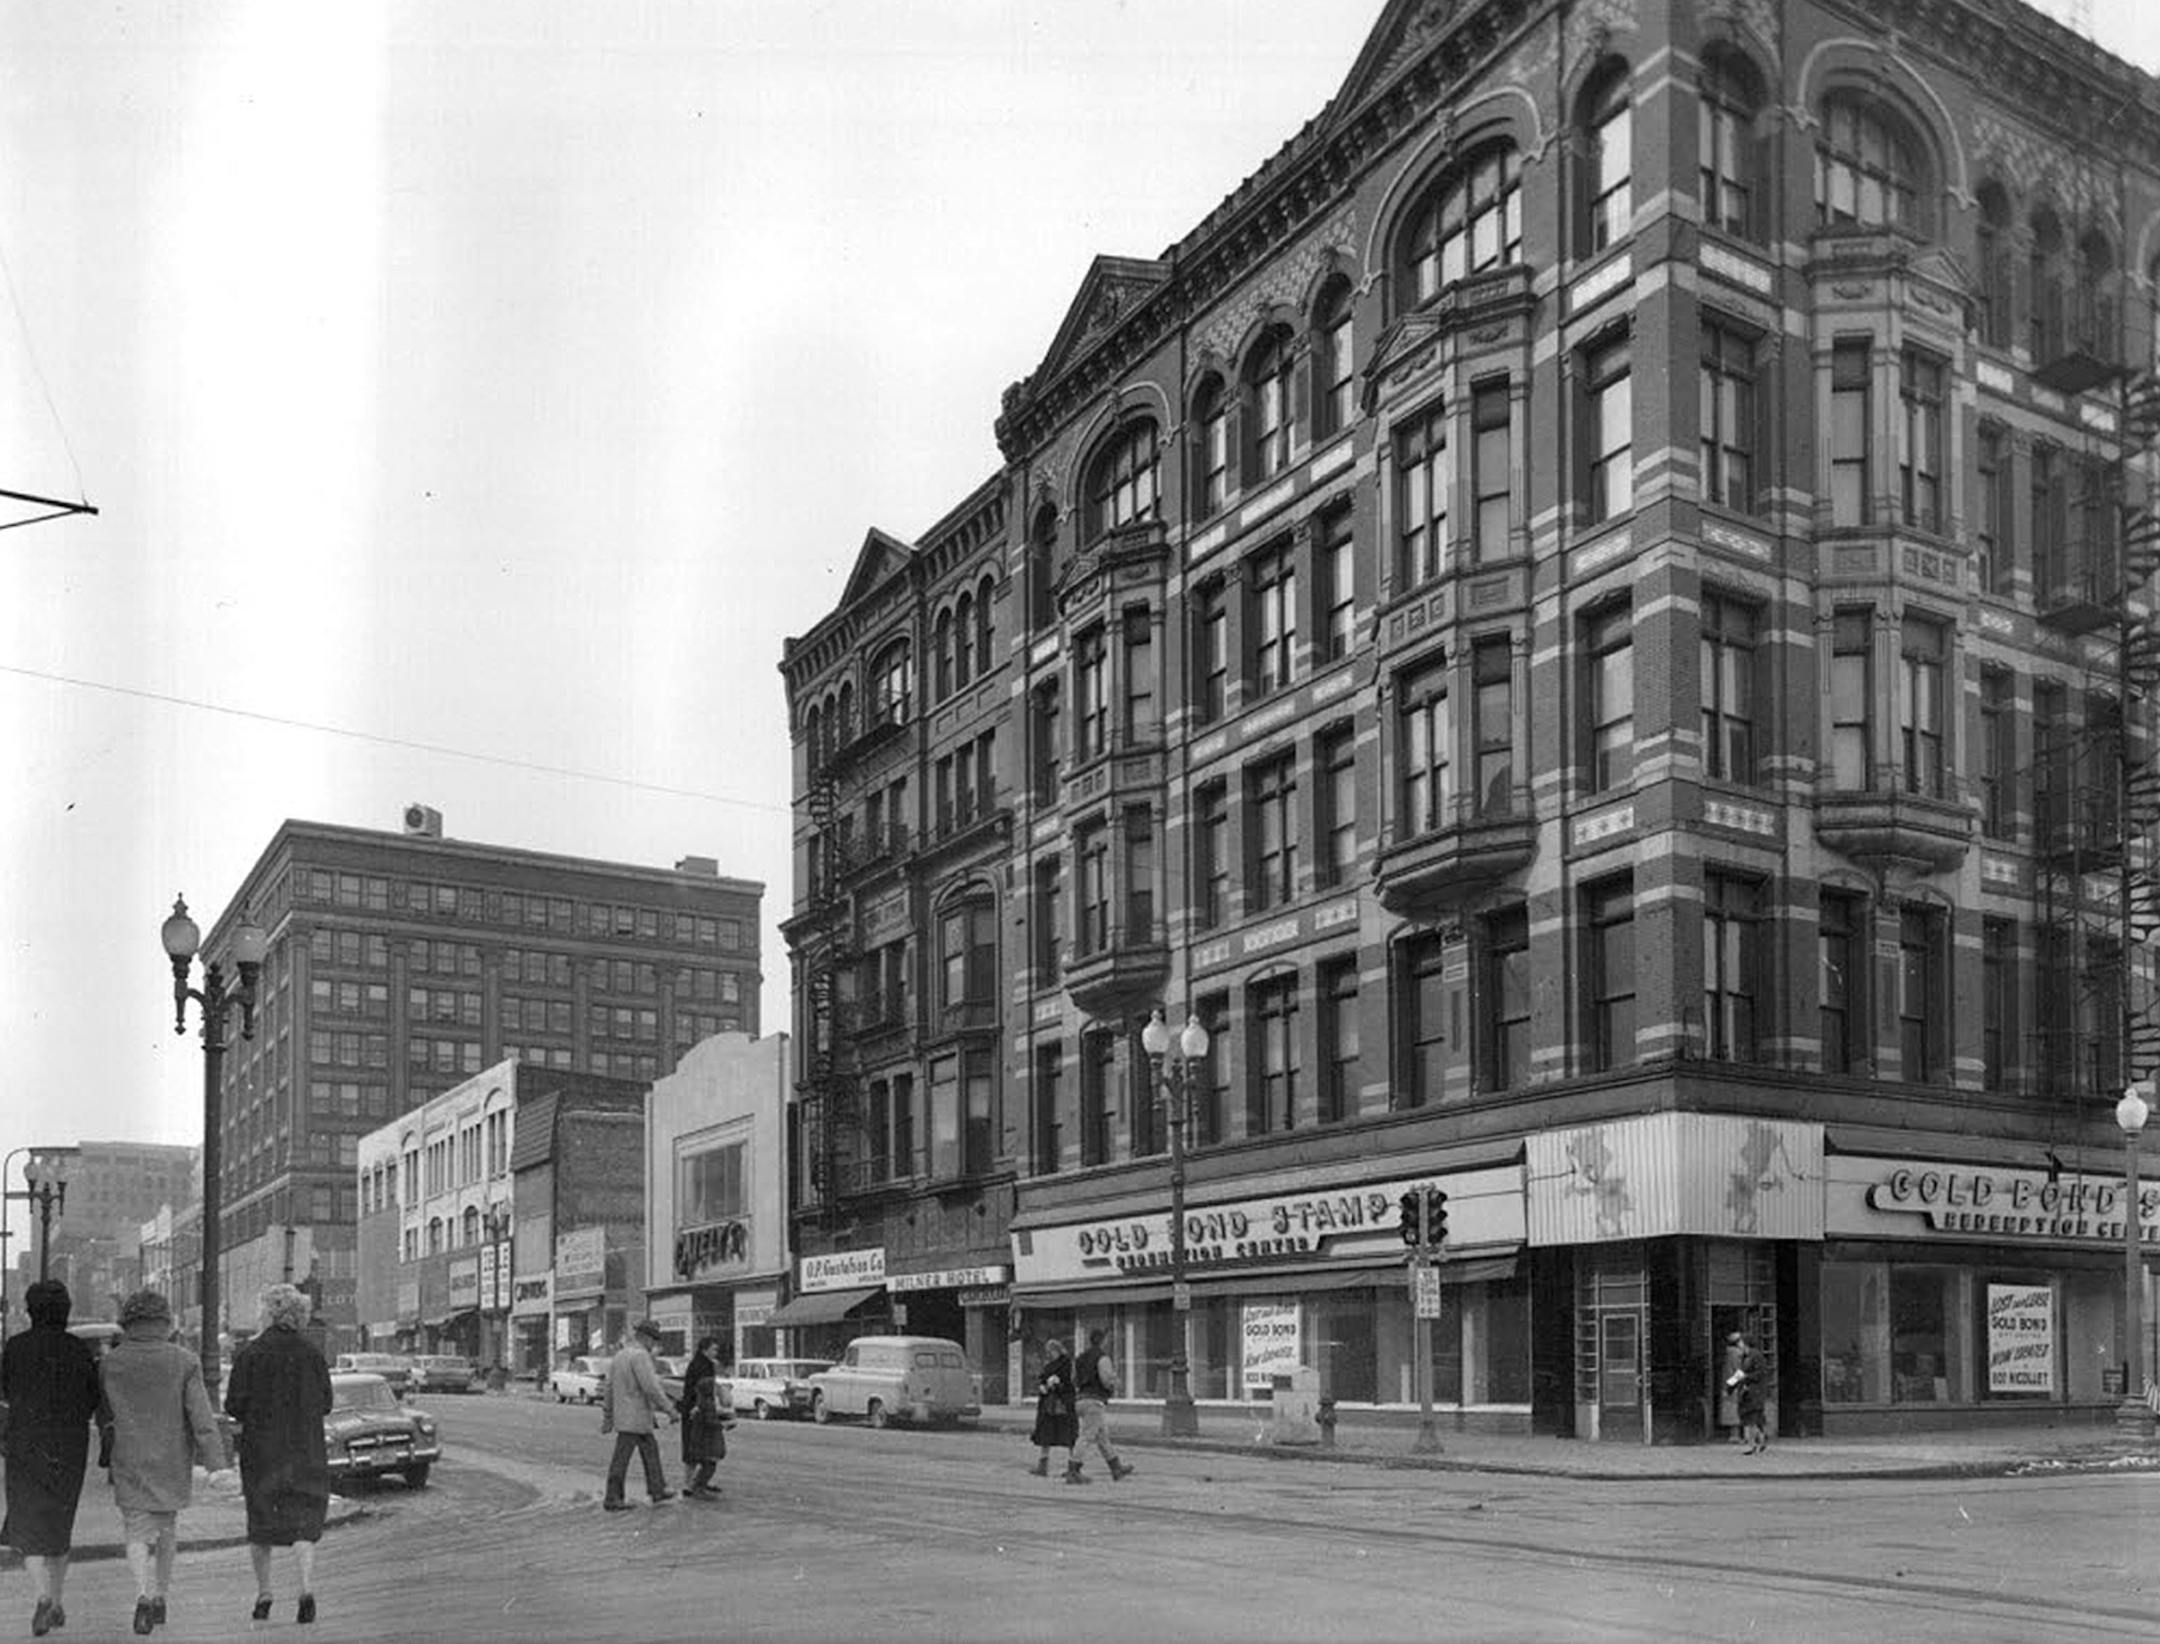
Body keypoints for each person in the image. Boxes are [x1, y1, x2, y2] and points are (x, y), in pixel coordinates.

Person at [96, 1288, 231, 1637]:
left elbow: (104, 1413)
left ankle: (140, 1593)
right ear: (164, 1321)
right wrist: (216, 1463)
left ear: (128, 1322)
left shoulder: (112, 1362)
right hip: (171, 1457)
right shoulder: (184, 1361)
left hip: (129, 1456)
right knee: (166, 1528)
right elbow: (201, 1416)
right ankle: (160, 1596)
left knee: (135, 1530)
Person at [223, 1283, 334, 1625]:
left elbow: (234, 1405)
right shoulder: (312, 1354)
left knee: (261, 1524)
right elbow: (326, 1403)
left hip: (262, 1453)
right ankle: (305, 1588)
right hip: (306, 1451)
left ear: (269, 1313)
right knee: (304, 1523)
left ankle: (264, 1594)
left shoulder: (250, 1354)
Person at [2, 1280, 103, 1637]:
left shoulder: (14, 1348)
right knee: (60, 1528)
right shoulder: (79, 1350)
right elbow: (93, 1398)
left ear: (30, 1310)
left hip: (25, 1446)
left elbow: (5, 1390)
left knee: (27, 1527)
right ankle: (57, 1601)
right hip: (68, 1449)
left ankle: (43, 1596)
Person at [600, 1320, 676, 1510]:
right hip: (637, 1416)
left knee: (650, 1450)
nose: (654, 1345)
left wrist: (608, 1416)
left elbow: (609, 1388)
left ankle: (657, 1489)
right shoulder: (641, 1356)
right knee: (623, 1458)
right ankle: (613, 1497)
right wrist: (670, 1409)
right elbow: (651, 1387)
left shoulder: (619, 1355)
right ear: (646, 1338)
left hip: (626, 1417)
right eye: (653, 1340)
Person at [1070, 1328, 1133, 1483]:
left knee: (1102, 1436)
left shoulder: (1080, 1357)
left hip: (1081, 1399)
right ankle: (1073, 1469)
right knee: (1087, 1436)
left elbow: (1073, 1378)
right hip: (1094, 1401)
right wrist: (1115, 1383)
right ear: (1103, 1341)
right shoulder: (1102, 1358)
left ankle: (1116, 1467)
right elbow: (1106, 1379)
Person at [675, 1336, 732, 1498]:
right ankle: (691, 1484)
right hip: (696, 1411)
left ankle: (697, 1482)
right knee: (696, 1449)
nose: (716, 1352)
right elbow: (700, 1390)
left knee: (697, 1449)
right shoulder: (702, 1365)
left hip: (696, 1409)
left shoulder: (703, 1364)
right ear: (704, 1349)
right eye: (714, 1349)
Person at [1027, 1338, 1078, 1481]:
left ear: (1057, 1350)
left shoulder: (1067, 1363)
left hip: (1063, 1403)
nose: (1049, 1354)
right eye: (1048, 1352)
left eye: (1051, 1351)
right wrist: (1043, 1386)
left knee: (1069, 1433)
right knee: (1045, 1432)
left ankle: (1072, 1466)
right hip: (1048, 1403)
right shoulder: (1049, 1364)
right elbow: (1042, 1379)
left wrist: (1057, 1383)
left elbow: (1069, 1382)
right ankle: (1042, 1465)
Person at [1732, 1331, 1770, 1455]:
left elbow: (1759, 1373)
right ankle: (1761, 1439)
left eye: (1740, 1341)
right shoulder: (1746, 1356)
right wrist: (1731, 1384)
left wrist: (1744, 1378)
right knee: (1752, 1417)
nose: (1738, 1344)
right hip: (1748, 1390)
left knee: (1750, 1417)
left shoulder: (1755, 1356)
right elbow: (1740, 1372)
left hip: (1754, 1391)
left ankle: (1752, 1444)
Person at [1718, 1331, 1747, 1444]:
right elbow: (1738, 1370)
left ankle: (1735, 1434)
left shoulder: (1729, 1353)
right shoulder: (1736, 1354)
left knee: (1732, 1408)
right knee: (1736, 1408)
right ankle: (1736, 1435)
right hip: (1735, 1383)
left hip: (1730, 1383)